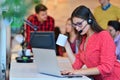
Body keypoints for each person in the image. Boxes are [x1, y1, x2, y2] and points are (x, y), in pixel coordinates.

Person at [61, 5, 120, 80]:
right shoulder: (83, 39)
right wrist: (67, 46)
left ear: (89, 20)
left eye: (79, 24)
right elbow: (77, 66)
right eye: (75, 25)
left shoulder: (104, 35)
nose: (77, 28)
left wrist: (78, 72)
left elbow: (107, 68)